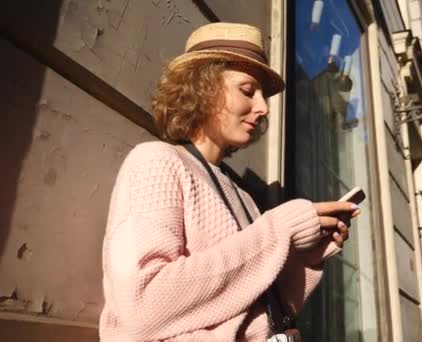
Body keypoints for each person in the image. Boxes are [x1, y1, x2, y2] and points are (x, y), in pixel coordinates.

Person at [99, 22, 360, 342]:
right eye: (248, 90)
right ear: (202, 88)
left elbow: (254, 307)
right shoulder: (156, 162)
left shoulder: (241, 196)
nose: (263, 107)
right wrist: (280, 229)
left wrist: (305, 258)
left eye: (263, 95)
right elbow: (143, 305)